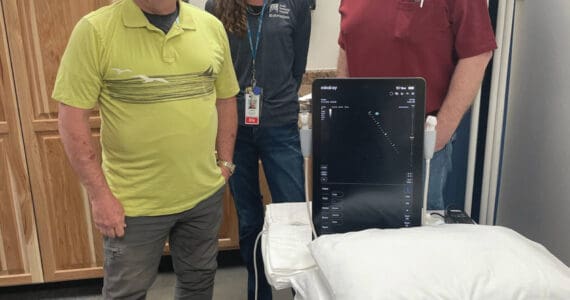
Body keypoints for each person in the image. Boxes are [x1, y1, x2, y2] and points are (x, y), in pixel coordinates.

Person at [52, 0, 239, 298]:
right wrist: (100, 196)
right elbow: (71, 118)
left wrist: (226, 164)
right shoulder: (95, 30)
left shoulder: (210, 27)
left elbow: (226, 98)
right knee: (127, 292)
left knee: (199, 282)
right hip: (133, 204)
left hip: (203, 196)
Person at [337, 0, 497, 210]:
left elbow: (477, 53)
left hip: (417, 143)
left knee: (416, 236)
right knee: (359, 227)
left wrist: (437, 136)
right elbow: (346, 47)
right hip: (361, 139)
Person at [205, 0, 311, 299]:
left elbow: (297, 65)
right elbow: (215, 66)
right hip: (234, 128)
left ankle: (299, 291)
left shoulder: (295, 5)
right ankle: (258, 291)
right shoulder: (217, 6)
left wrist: (276, 100)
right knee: (250, 219)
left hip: (280, 125)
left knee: (292, 214)